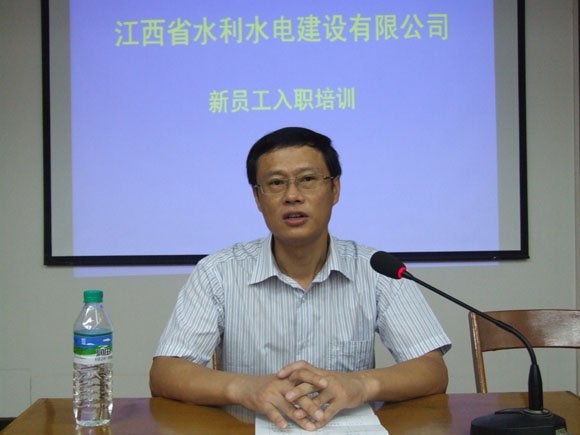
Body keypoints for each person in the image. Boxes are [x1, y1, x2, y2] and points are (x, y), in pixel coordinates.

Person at [150, 127, 451, 431]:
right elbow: (165, 373)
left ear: (335, 189)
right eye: (276, 183)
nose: (292, 196)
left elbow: (432, 371)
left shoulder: (376, 270)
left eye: (307, 179)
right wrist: (244, 388)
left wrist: (361, 384)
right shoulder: (218, 272)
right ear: (257, 197)